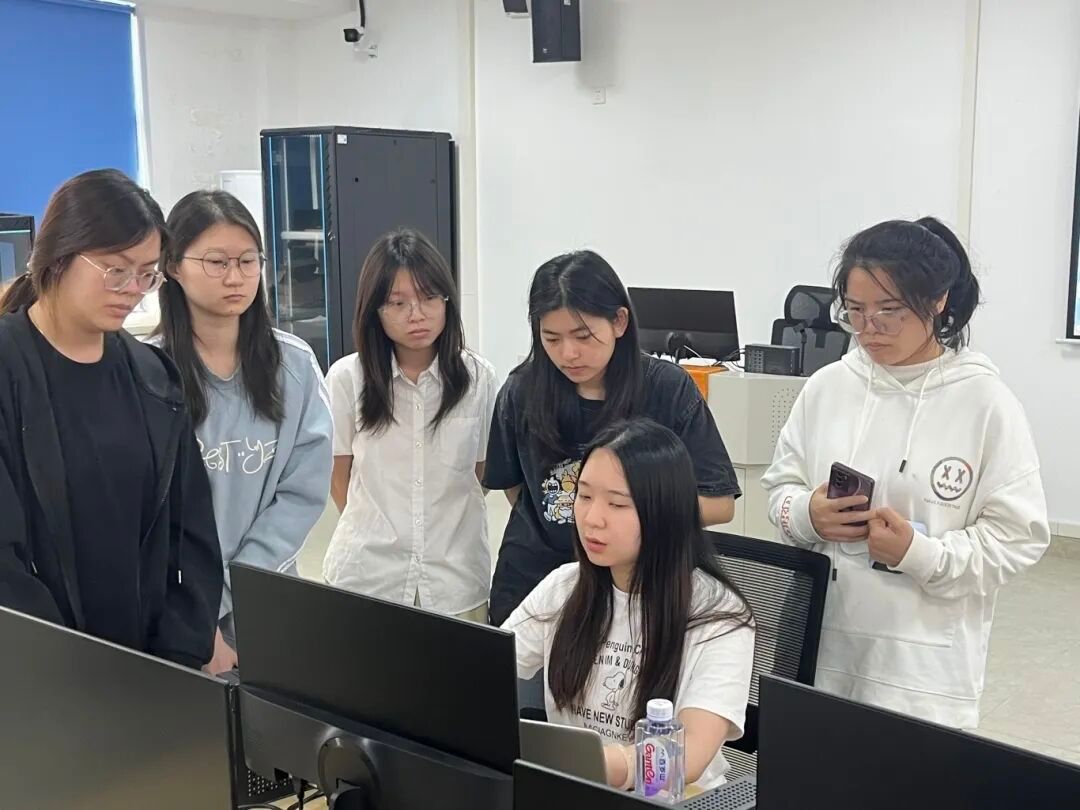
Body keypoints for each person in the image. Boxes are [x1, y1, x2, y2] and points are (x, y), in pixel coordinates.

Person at [761, 217, 1049, 728]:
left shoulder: (985, 402)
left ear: (937, 300)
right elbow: (781, 488)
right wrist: (808, 514)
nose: (869, 328)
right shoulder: (827, 388)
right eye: (854, 311)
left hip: (923, 669)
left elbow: (1017, 538)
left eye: (889, 311)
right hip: (820, 649)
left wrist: (920, 554)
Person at [0, 169, 222, 668]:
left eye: (147, 274)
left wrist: (176, 654)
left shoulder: (154, 377)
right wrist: (71, 673)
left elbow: (193, 537)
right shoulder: (8, 371)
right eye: (115, 270)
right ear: (59, 255)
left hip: (149, 668)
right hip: (38, 669)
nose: (132, 289)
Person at [485, 250, 740, 626]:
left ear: (619, 321)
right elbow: (517, 489)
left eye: (583, 336)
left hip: (639, 589)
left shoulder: (666, 390)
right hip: (531, 586)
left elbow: (719, 504)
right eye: (551, 338)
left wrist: (629, 515)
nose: (568, 353)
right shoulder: (521, 390)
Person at [504, 418, 755, 791]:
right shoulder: (564, 587)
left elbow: (689, 756)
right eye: (584, 497)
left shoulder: (719, 614)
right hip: (574, 789)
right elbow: (482, 670)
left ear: (665, 512)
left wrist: (595, 764)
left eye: (617, 504)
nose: (592, 519)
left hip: (674, 798)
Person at [152, 190, 333, 675]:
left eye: (248, 261)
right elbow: (146, 515)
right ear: (173, 265)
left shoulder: (294, 366)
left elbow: (301, 496)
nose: (235, 277)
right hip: (176, 612)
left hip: (269, 601)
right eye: (216, 262)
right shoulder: (148, 371)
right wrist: (198, 618)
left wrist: (232, 592)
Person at [323, 229, 498, 621]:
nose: (416, 314)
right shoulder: (348, 379)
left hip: (455, 578)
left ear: (447, 300)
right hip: (367, 575)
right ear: (375, 310)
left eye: (429, 297)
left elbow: (480, 471)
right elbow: (339, 475)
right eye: (397, 303)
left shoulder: (479, 378)